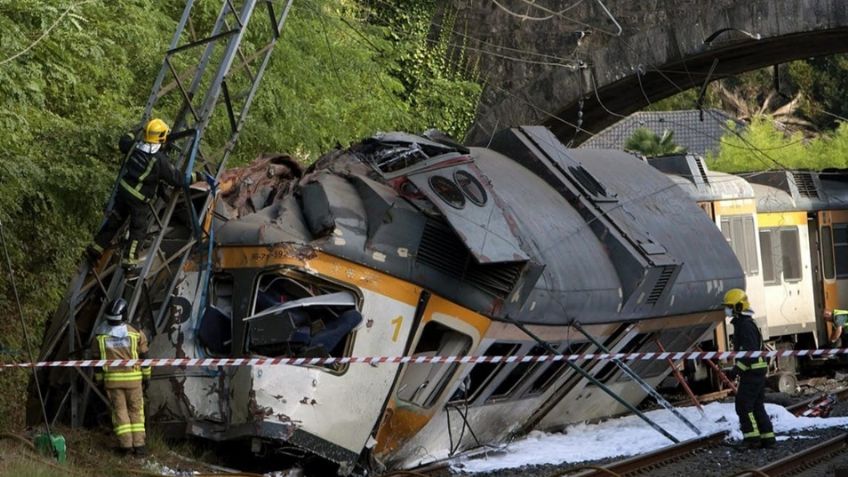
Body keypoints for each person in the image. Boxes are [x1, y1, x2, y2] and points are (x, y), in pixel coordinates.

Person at [86, 118, 199, 276]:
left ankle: (95, 248)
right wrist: (197, 176)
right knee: (138, 230)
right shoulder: (158, 160)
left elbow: (123, 141)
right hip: (138, 199)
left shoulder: (134, 147)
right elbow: (177, 179)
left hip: (123, 192)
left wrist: (134, 132)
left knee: (115, 220)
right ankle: (129, 261)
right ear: (160, 137)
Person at [91, 298, 151, 456]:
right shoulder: (136, 332)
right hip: (134, 380)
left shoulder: (99, 335)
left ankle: (125, 446)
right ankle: (140, 446)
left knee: (120, 412)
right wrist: (147, 377)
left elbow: (96, 362)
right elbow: (145, 356)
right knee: (136, 411)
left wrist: (99, 379)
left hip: (112, 382)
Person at [723, 288, 776, 450]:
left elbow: (749, 353)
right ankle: (768, 439)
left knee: (744, 405)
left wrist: (735, 370)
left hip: (752, 372)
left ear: (738, 307)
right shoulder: (745, 324)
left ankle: (752, 439)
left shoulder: (744, 326)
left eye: (730, 306)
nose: (727, 310)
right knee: (757, 406)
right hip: (756, 372)